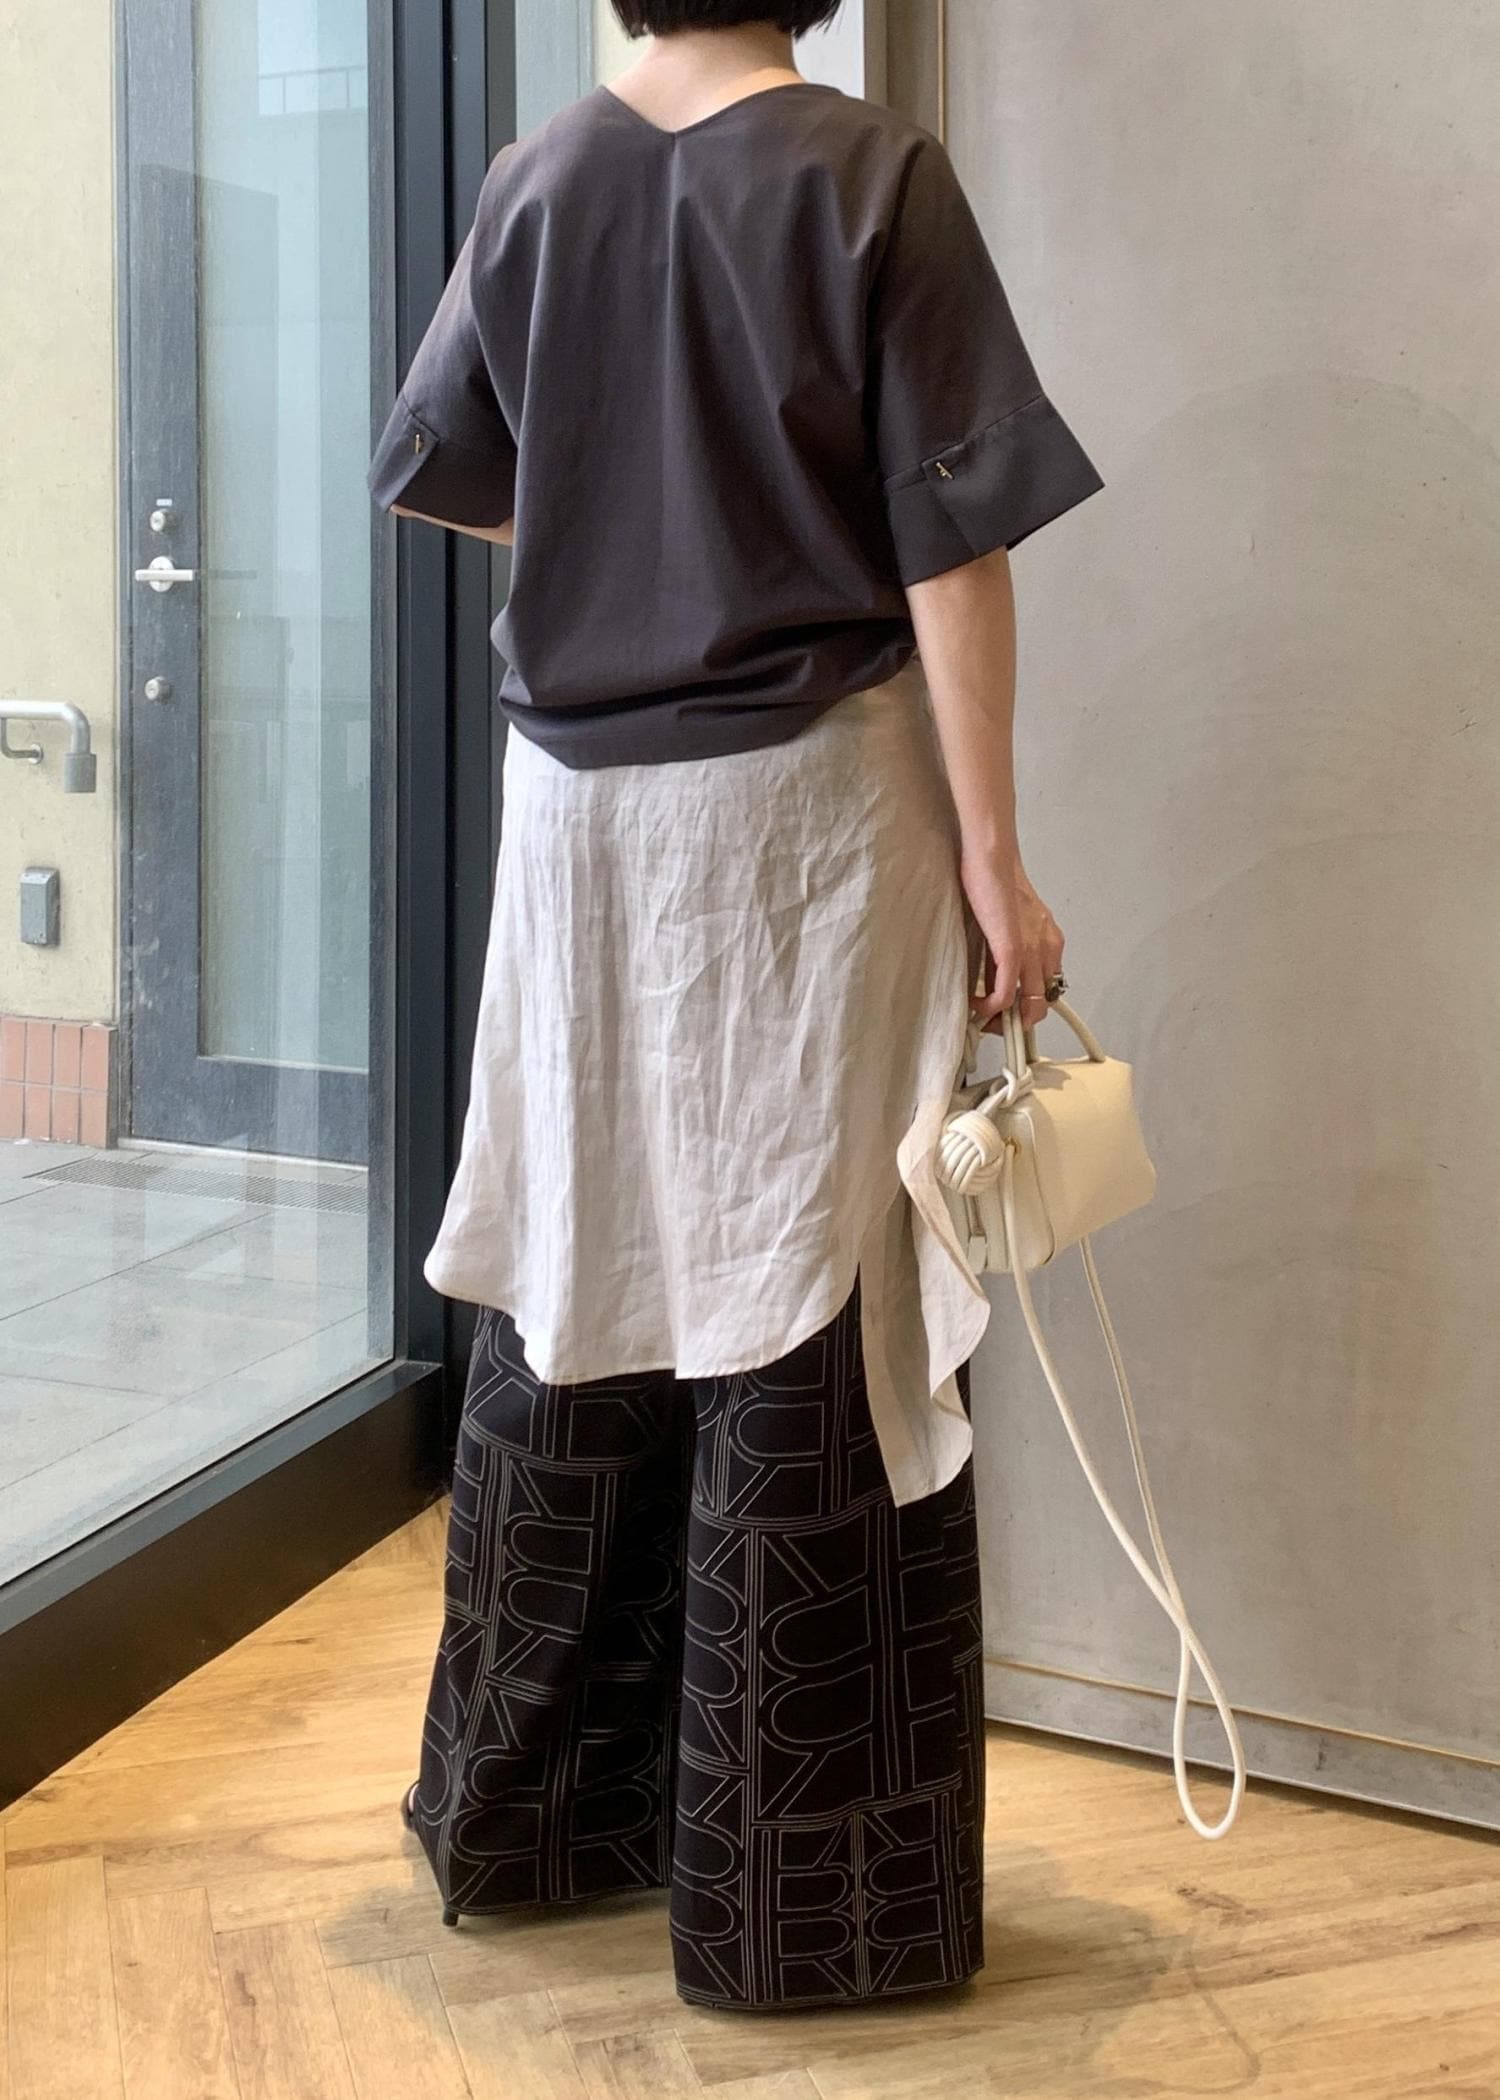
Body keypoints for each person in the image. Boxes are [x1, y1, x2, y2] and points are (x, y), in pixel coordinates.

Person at [368, 0, 1104, 2014]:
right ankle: (796, 1908)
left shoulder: (532, 181)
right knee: (816, 1290)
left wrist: (632, 518)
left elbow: (446, 466)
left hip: (577, 820)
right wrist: (996, 856)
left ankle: (541, 1820)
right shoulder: (870, 173)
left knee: (581, 1261)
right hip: (810, 807)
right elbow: (950, 549)